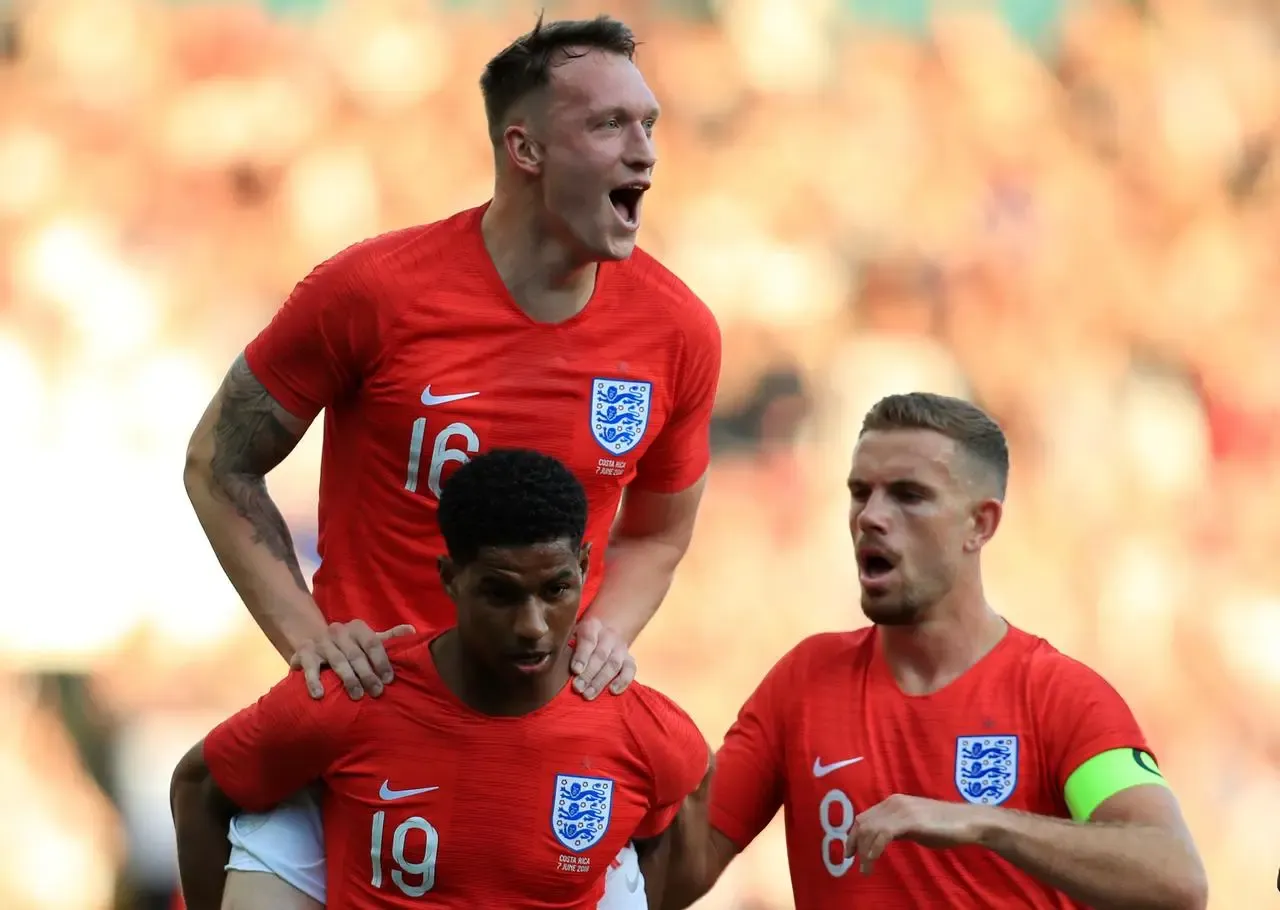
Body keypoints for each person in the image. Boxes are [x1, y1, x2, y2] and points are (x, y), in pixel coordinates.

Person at [179, 13, 719, 910]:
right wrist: (311, 642)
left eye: (649, 125)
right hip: (358, 741)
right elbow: (218, 463)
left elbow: (659, 532)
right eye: (609, 126)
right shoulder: (373, 294)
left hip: (541, 754)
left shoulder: (677, 331)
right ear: (526, 148)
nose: (645, 153)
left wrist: (604, 635)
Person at [658, 393, 1208, 910]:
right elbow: (675, 880)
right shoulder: (804, 682)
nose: (870, 516)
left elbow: (1176, 877)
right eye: (859, 492)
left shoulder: (1060, 697)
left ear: (980, 524)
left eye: (908, 494)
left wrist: (985, 823)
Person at [171, 449, 712, 910]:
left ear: (583, 565)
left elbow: (677, 826)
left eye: (556, 589)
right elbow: (198, 786)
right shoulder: (356, 697)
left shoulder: (641, 731)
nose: (532, 626)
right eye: (500, 593)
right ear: (451, 579)